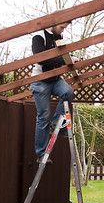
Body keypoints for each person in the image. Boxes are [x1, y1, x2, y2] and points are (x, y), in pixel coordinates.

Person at [30, 23, 74, 161]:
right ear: (54, 24)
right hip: (40, 81)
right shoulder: (39, 36)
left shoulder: (58, 37)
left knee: (68, 92)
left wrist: (70, 59)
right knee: (43, 116)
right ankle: (41, 154)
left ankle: (56, 124)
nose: (63, 30)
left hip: (55, 79)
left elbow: (61, 55)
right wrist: (62, 61)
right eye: (62, 27)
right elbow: (42, 60)